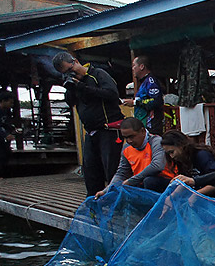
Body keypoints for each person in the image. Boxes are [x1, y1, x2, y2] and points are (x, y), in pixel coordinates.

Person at [52, 51, 125, 196]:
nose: (71, 74)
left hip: (109, 129)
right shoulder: (75, 84)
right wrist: (70, 88)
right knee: (90, 170)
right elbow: (71, 103)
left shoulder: (98, 74)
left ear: (75, 62)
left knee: (111, 169)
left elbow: (112, 95)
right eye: (65, 73)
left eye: (70, 70)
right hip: (91, 132)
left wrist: (82, 87)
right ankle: (93, 202)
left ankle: (116, 201)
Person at [95, 117, 174, 198]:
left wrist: (130, 181)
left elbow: (157, 166)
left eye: (132, 136)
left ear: (143, 131)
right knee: (121, 190)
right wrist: (106, 190)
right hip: (141, 183)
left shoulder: (156, 142)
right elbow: (121, 173)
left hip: (166, 183)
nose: (129, 141)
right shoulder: (126, 148)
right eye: (126, 138)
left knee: (149, 181)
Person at [160, 130, 215, 199]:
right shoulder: (180, 160)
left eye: (172, 152)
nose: (171, 156)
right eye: (168, 154)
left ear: (180, 145)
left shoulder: (202, 155)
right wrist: (171, 197)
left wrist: (194, 196)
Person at [123, 55, 164, 135]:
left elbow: (156, 101)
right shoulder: (144, 82)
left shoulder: (150, 81)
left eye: (134, 65)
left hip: (152, 127)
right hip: (144, 127)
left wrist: (135, 102)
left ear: (142, 67)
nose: (132, 69)